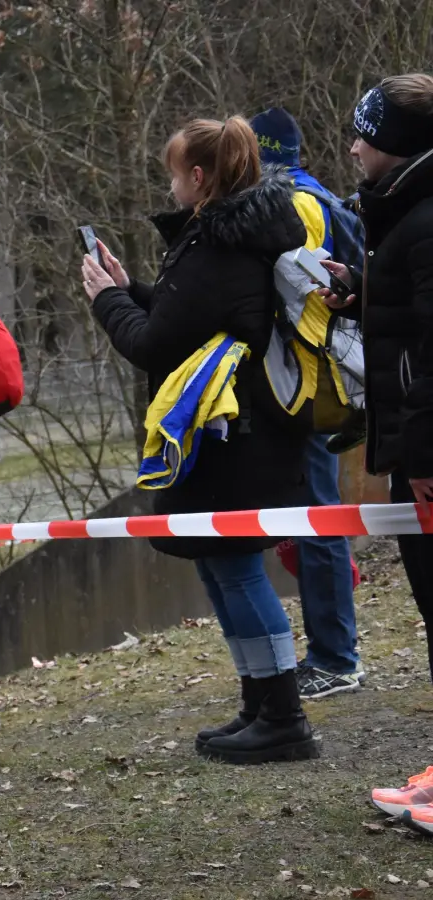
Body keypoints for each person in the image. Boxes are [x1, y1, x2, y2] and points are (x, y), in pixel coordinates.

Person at [82, 114, 317, 765]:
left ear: (199, 177)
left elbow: (151, 342)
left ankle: (284, 716)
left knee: (238, 572)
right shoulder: (224, 239)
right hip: (231, 436)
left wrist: (106, 301)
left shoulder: (218, 248)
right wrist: (127, 286)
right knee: (219, 569)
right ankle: (258, 702)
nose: (170, 183)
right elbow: (181, 316)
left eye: (173, 172)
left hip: (236, 442)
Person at [311, 75, 433, 825]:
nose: (354, 146)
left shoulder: (424, 220)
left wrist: (422, 458)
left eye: (367, 133)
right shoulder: (404, 217)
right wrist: (362, 291)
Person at [249, 107, 365, 700]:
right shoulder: (313, 196)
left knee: (316, 518)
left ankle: (335, 657)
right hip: (307, 381)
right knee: (309, 518)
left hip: (304, 384)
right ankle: (333, 649)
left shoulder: (289, 206)